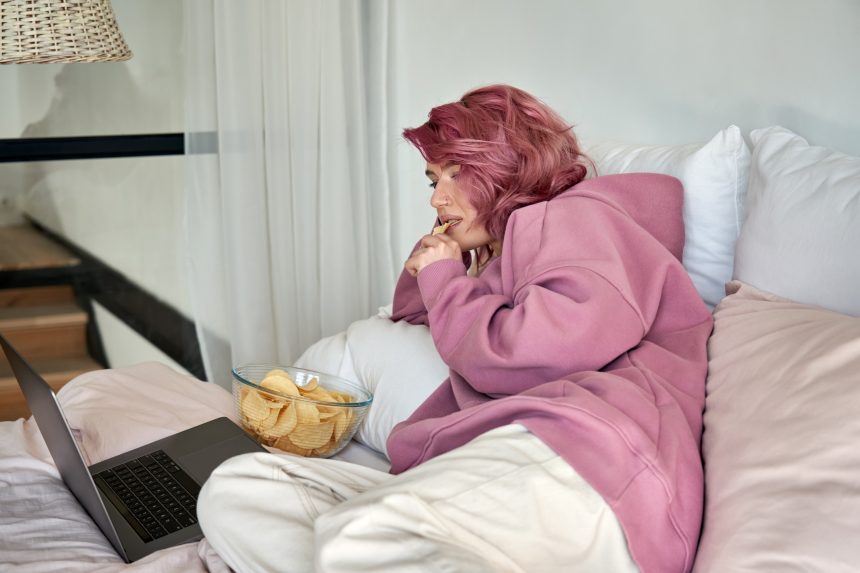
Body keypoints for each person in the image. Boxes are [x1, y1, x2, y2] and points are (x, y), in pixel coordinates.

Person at [197, 85, 713, 573]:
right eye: (431, 180)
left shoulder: (576, 219)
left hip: (587, 460)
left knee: (363, 533)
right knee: (237, 490)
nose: (435, 199)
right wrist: (442, 262)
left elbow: (533, 352)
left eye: (452, 175)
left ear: (504, 169)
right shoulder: (505, 255)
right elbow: (415, 316)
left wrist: (446, 276)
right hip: (497, 468)